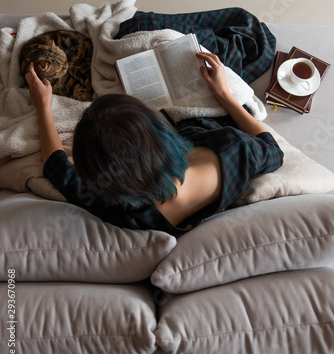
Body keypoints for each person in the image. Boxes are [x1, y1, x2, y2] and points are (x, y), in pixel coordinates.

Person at [25, 52, 283, 237]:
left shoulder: (125, 213)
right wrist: (224, 94)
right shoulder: (235, 149)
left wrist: (43, 106)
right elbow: (272, 148)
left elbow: (55, 165)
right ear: (161, 131)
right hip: (204, 124)